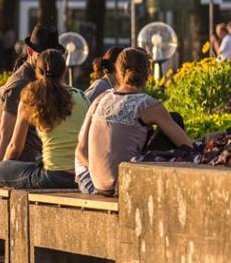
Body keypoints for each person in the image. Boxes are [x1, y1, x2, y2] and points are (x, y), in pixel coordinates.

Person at [76, 47, 192, 196]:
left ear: (118, 74)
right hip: (125, 182)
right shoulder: (146, 104)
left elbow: (80, 151)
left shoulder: (101, 98)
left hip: (98, 184)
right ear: (148, 73)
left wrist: (101, 170)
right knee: (175, 118)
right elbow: (187, 146)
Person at [0, 49, 87, 190]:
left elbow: (15, 148)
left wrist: (1, 177)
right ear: (63, 72)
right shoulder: (82, 96)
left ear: (37, 72)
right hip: (81, 175)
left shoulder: (31, 97)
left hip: (51, 177)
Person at [0, 26, 61, 168]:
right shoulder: (21, 84)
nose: (49, 60)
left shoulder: (43, 80)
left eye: (54, 54)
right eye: (43, 55)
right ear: (30, 52)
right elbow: (3, 134)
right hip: (23, 163)